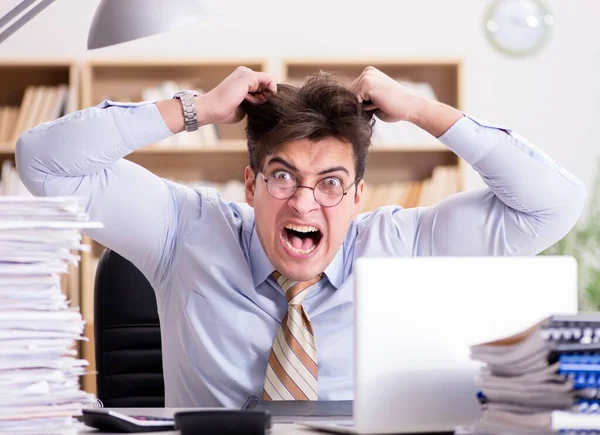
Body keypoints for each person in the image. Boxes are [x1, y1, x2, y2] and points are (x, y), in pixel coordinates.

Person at [16, 66, 586, 408]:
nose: (304, 201)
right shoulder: (185, 231)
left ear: (360, 195)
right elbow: (43, 162)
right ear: (251, 183)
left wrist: (416, 108)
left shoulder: (405, 246)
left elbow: (552, 204)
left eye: (331, 183)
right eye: (284, 176)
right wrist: (197, 109)